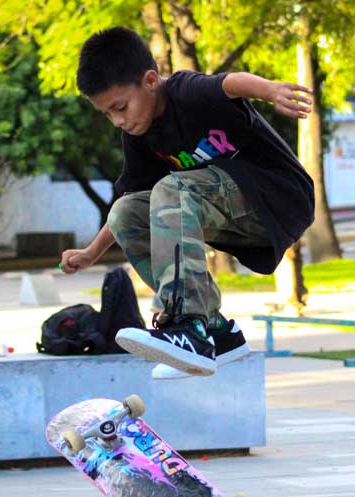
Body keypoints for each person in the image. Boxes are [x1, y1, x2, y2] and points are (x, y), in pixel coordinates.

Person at [59, 27, 314, 378]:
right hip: (230, 210)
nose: (119, 120)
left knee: (173, 190)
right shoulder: (139, 134)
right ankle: (215, 330)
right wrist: (92, 252)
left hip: (279, 195)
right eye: (107, 114)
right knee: (127, 212)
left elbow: (230, 83)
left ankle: (184, 325)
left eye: (120, 107)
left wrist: (271, 91)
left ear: (150, 81)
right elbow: (131, 201)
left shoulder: (186, 92)